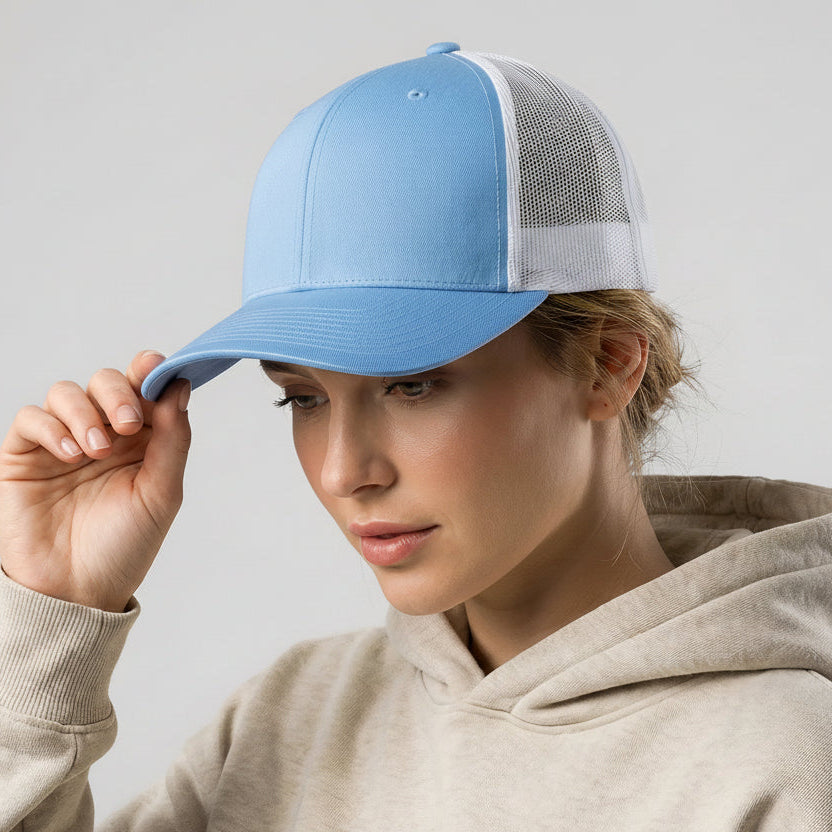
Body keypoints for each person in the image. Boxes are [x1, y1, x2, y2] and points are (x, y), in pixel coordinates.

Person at [1, 42, 830, 831]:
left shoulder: (783, 764)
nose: (341, 471)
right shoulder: (291, 715)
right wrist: (52, 623)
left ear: (605, 364)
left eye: (413, 385)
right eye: (302, 399)